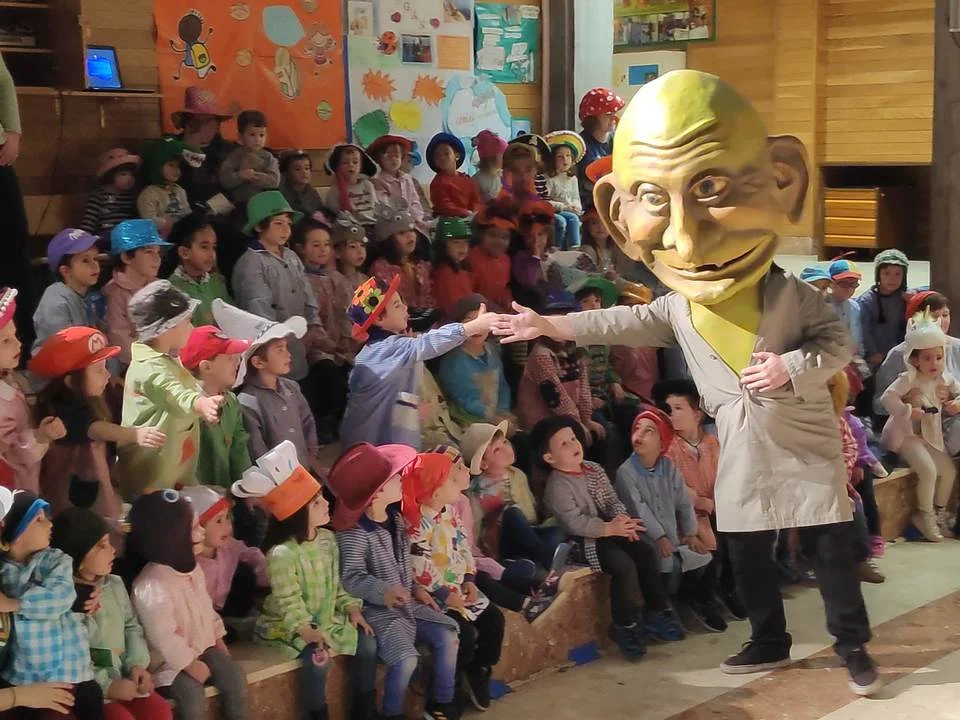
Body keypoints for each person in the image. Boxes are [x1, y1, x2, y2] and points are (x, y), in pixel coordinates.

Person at [493, 70, 881, 695]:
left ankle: (853, 647)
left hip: (802, 435)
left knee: (829, 545)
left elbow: (837, 344)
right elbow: (612, 320)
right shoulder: (676, 307)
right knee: (746, 547)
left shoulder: (790, 292)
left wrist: (790, 366)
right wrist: (546, 323)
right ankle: (768, 639)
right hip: (740, 441)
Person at [243, 441, 378, 719]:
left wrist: (352, 608)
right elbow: (289, 601)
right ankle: (317, 714)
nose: (327, 503)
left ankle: (364, 709)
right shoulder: (282, 554)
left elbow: (338, 585)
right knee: (318, 660)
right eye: (317, 502)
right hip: (290, 628)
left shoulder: (328, 540)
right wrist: (306, 631)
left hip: (327, 618)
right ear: (298, 512)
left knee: (367, 643)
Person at [534, 416, 684, 662]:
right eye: (564, 444)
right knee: (622, 566)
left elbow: (613, 500)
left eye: (573, 438)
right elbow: (575, 523)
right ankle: (624, 625)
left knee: (646, 551)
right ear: (549, 458)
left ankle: (656, 611)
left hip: (610, 529)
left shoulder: (593, 469)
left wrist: (623, 520)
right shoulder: (557, 487)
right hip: (584, 541)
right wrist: (609, 528)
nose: (574, 444)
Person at [330, 442, 460, 720]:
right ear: (376, 494)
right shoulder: (355, 533)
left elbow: (403, 565)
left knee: (448, 636)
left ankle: (441, 703)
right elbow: (351, 576)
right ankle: (393, 714)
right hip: (380, 613)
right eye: (394, 477)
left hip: (408, 605)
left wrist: (417, 588)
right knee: (406, 659)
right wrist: (384, 591)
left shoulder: (395, 519)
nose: (402, 478)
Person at [127, 490, 248, 720]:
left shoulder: (192, 569)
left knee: (234, 677)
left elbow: (206, 610)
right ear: (171, 537)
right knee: (192, 698)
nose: (201, 532)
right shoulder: (152, 584)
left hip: (202, 650)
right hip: (170, 666)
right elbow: (163, 636)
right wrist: (189, 664)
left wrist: (218, 639)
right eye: (194, 528)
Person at [339, 276, 497, 450]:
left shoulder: (378, 349)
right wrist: (473, 326)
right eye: (397, 305)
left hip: (376, 440)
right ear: (379, 319)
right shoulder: (388, 349)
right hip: (373, 444)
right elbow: (428, 343)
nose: (405, 307)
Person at [402, 449, 505, 713]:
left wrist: (469, 578)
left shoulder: (449, 512)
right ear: (435, 492)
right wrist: (445, 595)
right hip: (436, 599)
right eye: (449, 479)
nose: (455, 482)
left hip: (461, 591)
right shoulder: (416, 524)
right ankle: (449, 687)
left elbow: (463, 547)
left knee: (494, 620)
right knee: (464, 636)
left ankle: (478, 668)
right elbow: (420, 568)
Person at [50, 507, 172, 720]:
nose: (113, 550)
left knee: (158, 710)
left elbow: (131, 625)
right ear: (77, 557)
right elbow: (71, 655)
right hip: (91, 691)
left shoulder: (114, 585)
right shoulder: (64, 600)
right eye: (102, 546)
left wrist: (136, 665)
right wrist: (108, 686)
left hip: (126, 678)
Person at [615, 408, 726, 633]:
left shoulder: (668, 467)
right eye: (637, 429)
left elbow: (683, 502)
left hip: (673, 536)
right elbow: (639, 510)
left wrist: (691, 533)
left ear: (662, 443)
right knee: (669, 565)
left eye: (649, 431)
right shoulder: (625, 472)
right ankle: (663, 605)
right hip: (647, 538)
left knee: (703, 557)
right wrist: (660, 536)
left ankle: (689, 600)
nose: (639, 434)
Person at [30, 327, 155, 521]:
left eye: (105, 367)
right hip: (72, 503)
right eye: (98, 370)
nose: (107, 375)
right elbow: (95, 430)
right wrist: (134, 434)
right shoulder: (59, 410)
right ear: (71, 381)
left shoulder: (97, 400)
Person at [0, 491, 104, 719]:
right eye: (39, 519)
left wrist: (15, 604)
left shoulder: (55, 559)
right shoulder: (3, 571)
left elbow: (62, 596)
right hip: (25, 677)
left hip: (73, 672)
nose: (50, 524)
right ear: (15, 533)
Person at [115, 281, 222, 499]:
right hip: (149, 479)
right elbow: (174, 393)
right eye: (187, 321)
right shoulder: (149, 368)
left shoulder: (168, 359)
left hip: (175, 471)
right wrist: (202, 403)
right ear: (166, 328)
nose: (191, 328)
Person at [652, 378, 746, 618]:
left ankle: (729, 588)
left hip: (716, 507)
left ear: (697, 414)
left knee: (737, 536)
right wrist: (704, 503)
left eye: (678, 408)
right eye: (669, 409)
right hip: (687, 513)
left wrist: (722, 501)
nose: (672, 414)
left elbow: (726, 475)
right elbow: (676, 489)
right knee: (710, 543)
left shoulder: (712, 443)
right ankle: (701, 596)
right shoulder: (668, 449)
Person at [211, 300, 321, 470]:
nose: (288, 354)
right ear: (258, 362)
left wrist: (311, 453)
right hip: (277, 478)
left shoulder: (292, 387)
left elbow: (307, 421)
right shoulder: (248, 402)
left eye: (286, 347)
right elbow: (257, 449)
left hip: (304, 468)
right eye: (279, 349)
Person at [879, 310, 960, 541]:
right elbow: (887, 398)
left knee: (948, 471)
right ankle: (924, 515)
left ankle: (938, 512)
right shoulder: (907, 380)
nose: (934, 363)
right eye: (927, 358)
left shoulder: (944, 379)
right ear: (914, 359)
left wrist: (956, 402)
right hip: (906, 435)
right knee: (929, 471)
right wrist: (907, 410)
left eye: (938, 357)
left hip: (929, 435)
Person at [230, 190, 317, 382]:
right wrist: (276, 338)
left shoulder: (291, 256)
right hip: (270, 350)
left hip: (298, 344)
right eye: (278, 223)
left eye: (288, 224)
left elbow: (307, 293)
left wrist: (313, 324)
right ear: (259, 226)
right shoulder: (251, 263)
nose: (286, 230)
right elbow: (258, 308)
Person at [461, 421, 564, 576]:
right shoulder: (477, 489)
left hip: (527, 533)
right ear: (483, 464)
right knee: (511, 512)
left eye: (505, 442)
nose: (506, 449)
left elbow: (530, 507)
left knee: (557, 531)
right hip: (502, 542)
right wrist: (480, 555)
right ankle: (548, 561)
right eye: (496, 450)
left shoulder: (517, 474)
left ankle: (531, 558)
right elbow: (474, 526)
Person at [874, 291, 960, 456]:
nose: (941, 322)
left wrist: (955, 400)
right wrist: (905, 402)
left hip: (950, 423)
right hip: (913, 425)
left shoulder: (957, 347)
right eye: (934, 317)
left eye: (945, 315)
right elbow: (879, 403)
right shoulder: (899, 354)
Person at [0, 289, 64, 492]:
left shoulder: (9, 379)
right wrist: (40, 437)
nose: (19, 344)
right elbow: (11, 456)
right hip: (14, 489)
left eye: (15, 336)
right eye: (6, 341)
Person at [179, 486, 268, 624]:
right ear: (197, 528)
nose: (227, 526)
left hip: (229, 604)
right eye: (218, 521)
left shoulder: (229, 546)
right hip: (204, 616)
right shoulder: (188, 564)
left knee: (245, 573)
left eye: (227, 517)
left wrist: (270, 578)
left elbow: (252, 555)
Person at [179, 325, 252, 490]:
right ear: (206, 367)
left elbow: (239, 447)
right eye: (229, 358)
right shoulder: (187, 408)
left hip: (229, 493)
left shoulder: (231, 401)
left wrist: (247, 487)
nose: (238, 362)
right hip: (198, 496)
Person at [103, 220, 173, 368]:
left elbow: (177, 324)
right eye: (149, 252)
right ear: (126, 257)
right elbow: (120, 340)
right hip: (136, 367)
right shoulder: (114, 294)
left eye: (158, 252)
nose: (157, 259)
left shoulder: (161, 287)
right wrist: (155, 361)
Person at [437, 295, 512, 427]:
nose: (478, 327)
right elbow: (463, 399)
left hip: (498, 417)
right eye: (469, 321)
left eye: (482, 320)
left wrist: (503, 411)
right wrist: (492, 416)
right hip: (466, 421)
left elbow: (502, 385)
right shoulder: (452, 361)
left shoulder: (493, 350)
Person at [31, 229, 102, 355]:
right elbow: (63, 351)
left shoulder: (90, 295)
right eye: (85, 260)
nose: (95, 265)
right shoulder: (55, 302)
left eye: (95, 258)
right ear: (65, 271)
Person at [169, 86, 236, 206]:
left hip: (220, 211)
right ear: (186, 123)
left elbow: (234, 189)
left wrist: (214, 207)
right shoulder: (170, 147)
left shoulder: (228, 149)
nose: (202, 126)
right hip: (181, 210)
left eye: (208, 120)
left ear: (217, 124)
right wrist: (188, 149)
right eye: (196, 120)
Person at [166, 213, 233, 326]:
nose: (212, 254)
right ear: (184, 252)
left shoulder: (217, 281)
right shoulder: (172, 289)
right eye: (204, 247)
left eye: (214, 247)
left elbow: (232, 317)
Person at [368, 201, 435, 311]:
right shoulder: (381, 268)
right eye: (402, 233)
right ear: (388, 240)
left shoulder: (422, 265)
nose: (410, 236)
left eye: (411, 231)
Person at [137, 138, 201, 237]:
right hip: (160, 236)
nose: (177, 170)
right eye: (171, 165)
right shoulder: (149, 193)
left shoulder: (179, 190)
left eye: (178, 166)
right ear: (157, 165)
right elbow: (148, 220)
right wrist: (166, 223)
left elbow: (186, 212)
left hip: (181, 234)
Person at [860, 248, 910, 373]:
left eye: (898, 274)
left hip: (900, 356)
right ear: (878, 275)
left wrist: (914, 299)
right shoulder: (867, 301)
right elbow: (864, 331)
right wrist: (872, 352)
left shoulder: (904, 297)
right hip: (875, 358)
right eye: (886, 273)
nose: (892, 279)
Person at [369, 134, 431, 236]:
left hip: (413, 222)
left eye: (396, 155)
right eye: (388, 156)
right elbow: (384, 206)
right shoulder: (377, 181)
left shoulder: (407, 179)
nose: (393, 159)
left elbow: (414, 201)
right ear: (379, 159)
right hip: (391, 225)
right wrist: (403, 220)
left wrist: (417, 218)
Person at [576, 87, 625, 211]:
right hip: (591, 203)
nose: (614, 118)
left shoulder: (619, 138)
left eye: (614, 113)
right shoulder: (581, 145)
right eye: (608, 115)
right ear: (592, 119)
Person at [218, 110, 280, 204]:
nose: (257, 139)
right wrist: (240, 175)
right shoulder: (234, 156)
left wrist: (255, 176)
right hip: (238, 202)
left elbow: (274, 181)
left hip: (263, 202)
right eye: (252, 135)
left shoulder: (268, 157)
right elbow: (224, 180)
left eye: (261, 135)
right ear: (240, 136)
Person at [80, 148, 141, 244]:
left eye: (132, 175)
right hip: (107, 237)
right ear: (111, 176)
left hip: (129, 237)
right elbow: (89, 222)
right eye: (123, 174)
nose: (129, 179)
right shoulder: (99, 195)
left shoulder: (132, 196)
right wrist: (83, 242)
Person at [467, 199, 518, 313]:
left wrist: (510, 305)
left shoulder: (505, 260)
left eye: (504, 237)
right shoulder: (471, 259)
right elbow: (469, 296)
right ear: (481, 235)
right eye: (492, 235)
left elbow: (502, 289)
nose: (498, 241)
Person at [510, 201, 555, 311]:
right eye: (530, 236)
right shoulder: (521, 256)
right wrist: (535, 256)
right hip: (530, 300)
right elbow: (529, 282)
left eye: (540, 235)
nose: (535, 240)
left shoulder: (550, 256)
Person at [544, 131, 585, 250]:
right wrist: (564, 207)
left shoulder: (572, 179)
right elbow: (544, 201)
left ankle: (574, 249)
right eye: (560, 157)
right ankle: (557, 248)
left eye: (568, 156)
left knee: (574, 218)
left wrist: (576, 207)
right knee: (562, 221)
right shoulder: (548, 179)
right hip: (554, 212)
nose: (565, 159)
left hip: (570, 211)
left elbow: (575, 197)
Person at [323, 143, 379, 226]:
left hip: (373, 225)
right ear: (338, 166)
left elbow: (376, 207)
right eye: (345, 162)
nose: (351, 165)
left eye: (355, 162)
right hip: (350, 228)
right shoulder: (334, 191)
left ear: (361, 166)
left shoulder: (368, 185)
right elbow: (334, 217)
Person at [428, 133, 482, 218]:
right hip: (447, 221)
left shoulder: (466, 179)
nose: (442, 157)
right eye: (437, 155)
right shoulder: (437, 183)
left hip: (469, 219)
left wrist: (474, 212)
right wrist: (464, 213)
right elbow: (444, 206)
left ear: (457, 156)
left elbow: (475, 199)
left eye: (446, 153)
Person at [431, 217, 474, 320]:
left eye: (465, 242)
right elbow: (451, 307)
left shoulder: (462, 270)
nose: (462, 247)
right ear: (442, 245)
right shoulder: (444, 273)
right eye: (455, 242)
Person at [278, 150, 323, 217]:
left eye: (307, 168)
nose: (304, 172)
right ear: (286, 173)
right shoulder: (281, 194)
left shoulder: (312, 192)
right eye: (297, 169)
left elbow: (320, 213)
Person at [471, 130, 508, 203]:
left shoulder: (502, 175)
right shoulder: (478, 180)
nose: (506, 158)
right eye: (503, 155)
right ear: (491, 158)